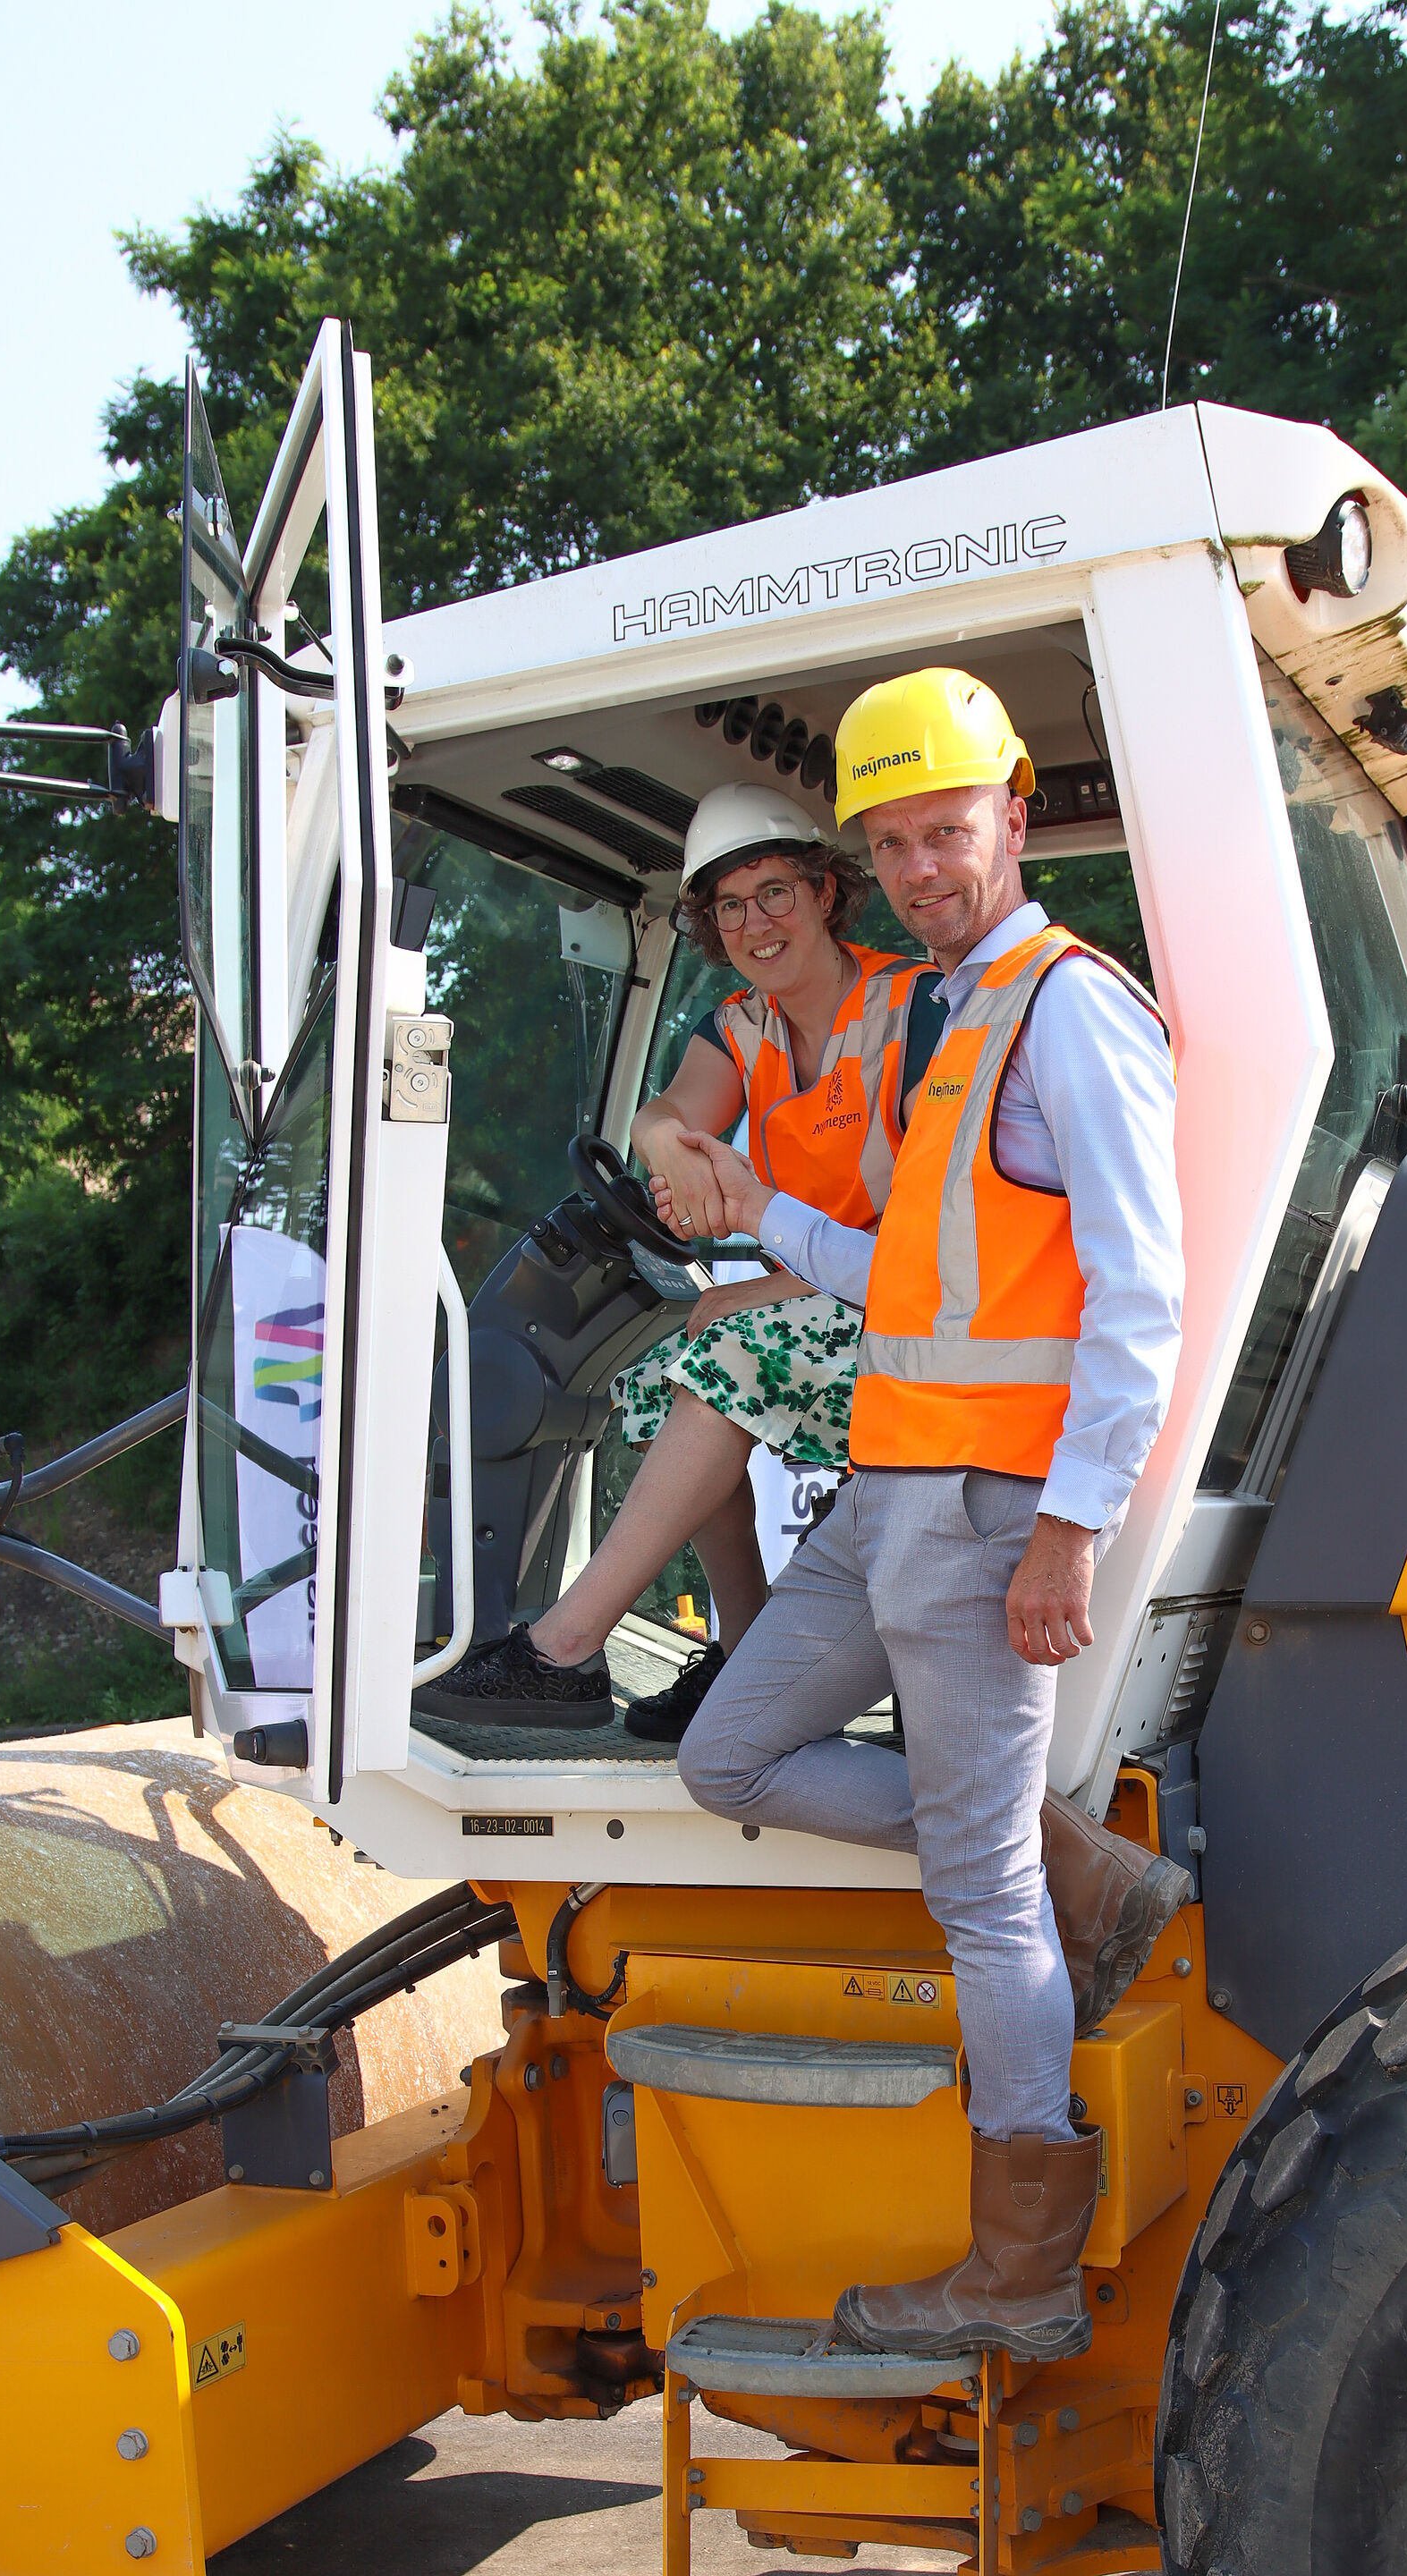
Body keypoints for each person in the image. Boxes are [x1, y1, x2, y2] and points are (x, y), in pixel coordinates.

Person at [675, 666, 1188, 2364]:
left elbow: (1140, 1297)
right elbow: (914, 1279)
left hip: (985, 1515)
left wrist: (1073, 1527)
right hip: (887, 1495)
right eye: (889, 844)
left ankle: (1018, 2264)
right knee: (726, 1757)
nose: (919, 867)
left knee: (976, 1896)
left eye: (945, 831)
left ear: (1015, 817)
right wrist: (766, 1213)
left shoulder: (1068, 1010)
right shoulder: (956, 1017)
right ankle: (1080, 1871)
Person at [411, 780, 937, 1735]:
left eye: (774, 891)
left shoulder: (915, 1012)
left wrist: (763, 1278)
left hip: (932, 1318)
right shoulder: (745, 1028)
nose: (754, 922)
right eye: (729, 906)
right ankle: (744, 1649)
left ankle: (562, 1651)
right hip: (840, 1301)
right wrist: (663, 1148)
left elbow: (934, 1234)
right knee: (664, 1363)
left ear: (826, 891)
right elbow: (666, 1114)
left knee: (725, 1348)